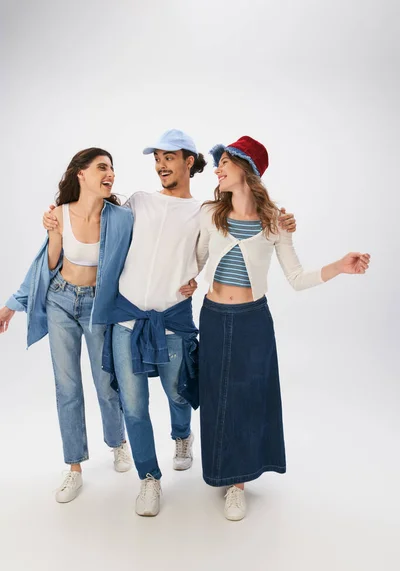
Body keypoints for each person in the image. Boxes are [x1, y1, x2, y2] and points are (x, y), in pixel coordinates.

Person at [43, 130, 297, 517]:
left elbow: (220, 242)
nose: (160, 164)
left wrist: (279, 220)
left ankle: (182, 436)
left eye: (169, 157)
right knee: (133, 405)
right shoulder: (137, 202)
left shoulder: (205, 212)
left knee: (180, 394)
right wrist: (58, 218)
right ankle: (149, 479)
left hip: (174, 321)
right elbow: (95, 217)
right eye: (156, 158)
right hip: (127, 320)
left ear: (189, 162)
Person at [195, 136, 370, 521]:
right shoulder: (210, 213)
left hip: (252, 320)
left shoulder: (275, 223)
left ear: (246, 169)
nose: (218, 169)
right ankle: (216, 466)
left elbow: (296, 276)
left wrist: (339, 267)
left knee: (244, 397)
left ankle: (237, 484)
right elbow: (195, 261)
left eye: (224, 162)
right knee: (213, 392)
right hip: (212, 315)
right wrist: (183, 280)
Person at [0, 148, 134, 503]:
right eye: (102, 167)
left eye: (112, 169)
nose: (110, 174)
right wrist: (12, 306)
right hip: (59, 300)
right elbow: (46, 265)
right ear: (81, 174)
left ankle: (117, 442)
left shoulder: (120, 218)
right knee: (67, 387)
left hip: (98, 306)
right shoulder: (58, 214)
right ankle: (73, 466)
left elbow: (142, 258)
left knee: (106, 382)